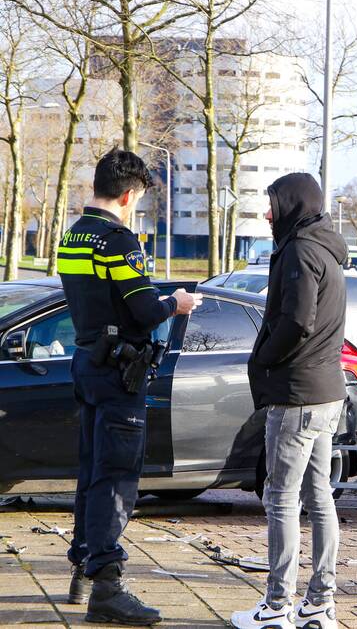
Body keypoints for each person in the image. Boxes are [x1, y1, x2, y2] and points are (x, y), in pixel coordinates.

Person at [58, 149, 201, 625]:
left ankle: (83, 566)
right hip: (121, 375)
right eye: (137, 198)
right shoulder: (118, 241)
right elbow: (143, 309)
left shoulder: (73, 236)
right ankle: (107, 587)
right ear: (127, 194)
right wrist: (176, 302)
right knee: (117, 479)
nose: (135, 206)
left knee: (90, 471)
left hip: (86, 362)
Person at [233, 172, 348, 629]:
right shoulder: (325, 249)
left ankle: (276, 606)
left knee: (280, 498)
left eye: (273, 204)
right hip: (325, 393)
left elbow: (297, 321)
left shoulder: (300, 251)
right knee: (319, 497)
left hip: (297, 395)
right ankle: (320, 603)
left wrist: (262, 357)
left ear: (293, 205)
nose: (267, 213)